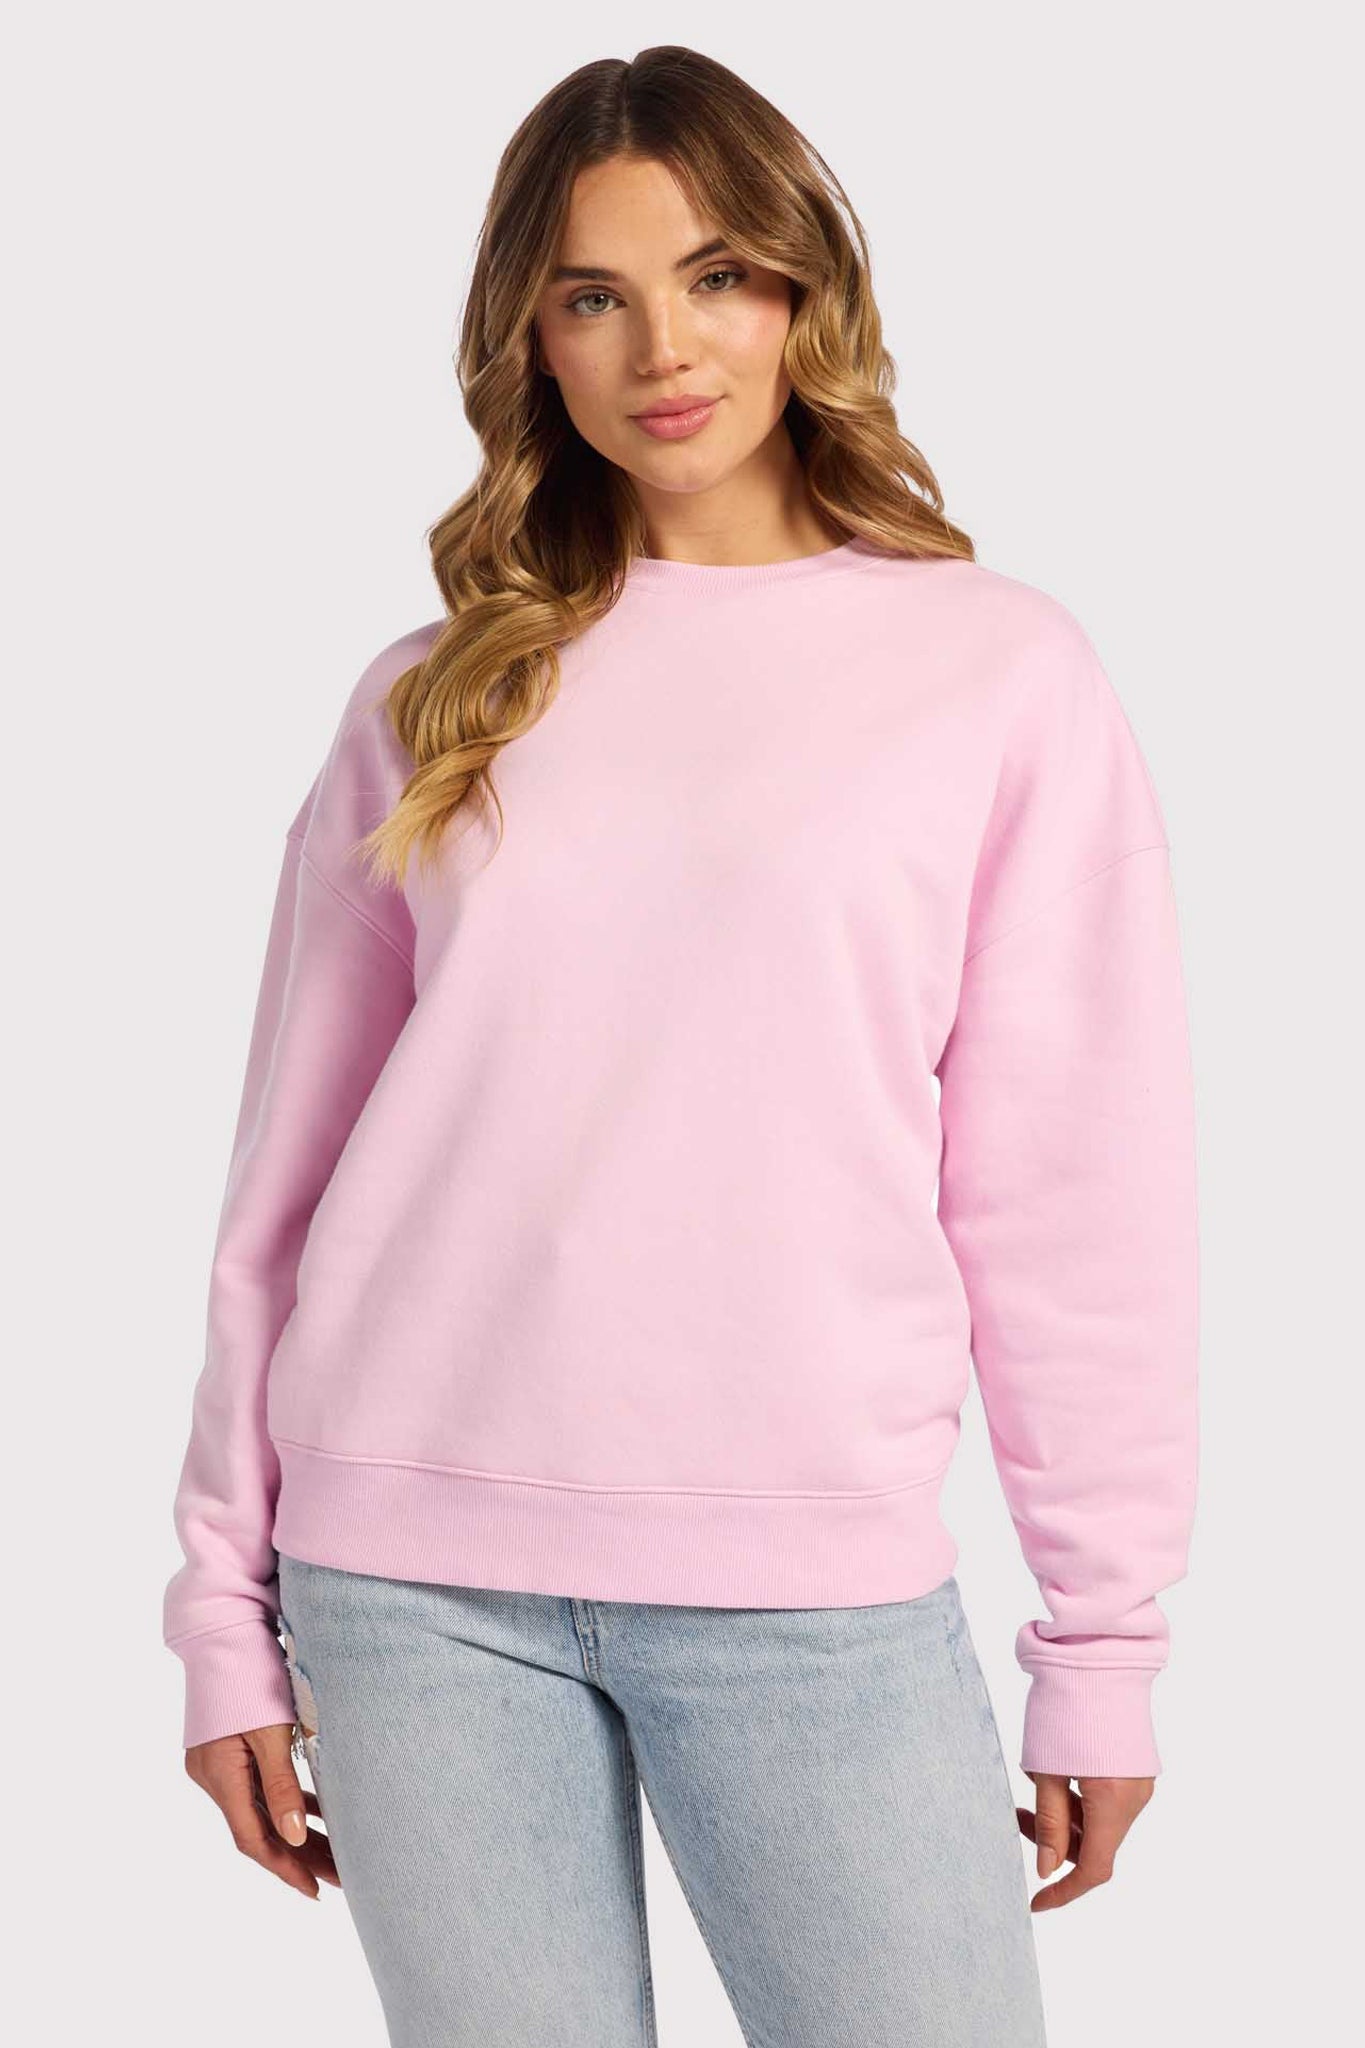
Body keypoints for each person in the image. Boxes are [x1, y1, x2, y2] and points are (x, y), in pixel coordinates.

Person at [163, 44, 1199, 2048]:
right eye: (592, 294)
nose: (663, 348)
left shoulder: (996, 675)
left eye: (716, 275)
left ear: (805, 288)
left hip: (805, 1584)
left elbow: (1074, 1203)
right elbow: (279, 1187)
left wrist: (1101, 1642)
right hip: (404, 1583)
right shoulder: (434, 696)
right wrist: (222, 1605)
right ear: (528, 339)